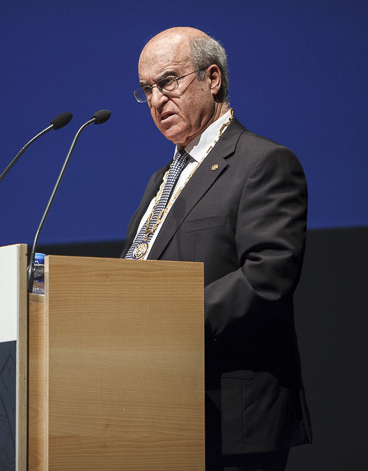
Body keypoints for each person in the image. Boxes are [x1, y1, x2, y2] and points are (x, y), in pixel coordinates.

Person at [121, 27, 312, 471]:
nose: (156, 101)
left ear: (212, 78)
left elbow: (268, 275)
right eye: (146, 89)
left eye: (168, 81)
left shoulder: (262, 162)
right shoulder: (160, 181)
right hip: (161, 407)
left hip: (231, 414)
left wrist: (169, 317)